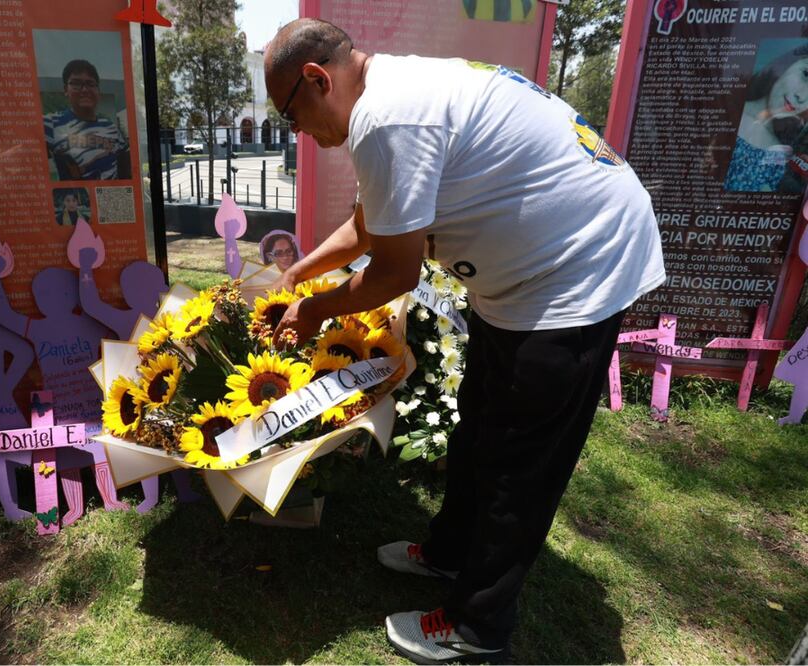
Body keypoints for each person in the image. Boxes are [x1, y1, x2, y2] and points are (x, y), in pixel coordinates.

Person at [263, 19, 665, 663]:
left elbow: (394, 273)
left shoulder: (387, 118)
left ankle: (478, 624)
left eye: (292, 113)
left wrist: (316, 309)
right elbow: (374, 222)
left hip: (581, 269)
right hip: (526, 280)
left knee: (520, 463)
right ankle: (449, 553)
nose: (299, 133)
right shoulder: (387, 91)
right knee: (478, 421)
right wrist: (300, 270)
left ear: (317, 79)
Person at [725, 42, 808, 192]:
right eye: (806, 74)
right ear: (784, 65)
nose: (802, 97)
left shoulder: (781, 154)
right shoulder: (723, 112)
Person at [44, 59, 131, 181]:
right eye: (76, 83)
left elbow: (125, 166)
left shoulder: (111, 128)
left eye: (91, 84)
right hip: (77, 198)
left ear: (98, 91)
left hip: (107, 197)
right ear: (65, 90)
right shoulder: (50, 123)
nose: (85, 90)